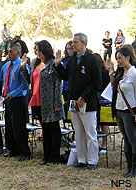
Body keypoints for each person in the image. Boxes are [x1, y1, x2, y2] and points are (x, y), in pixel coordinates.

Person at [55, 33, 102, 170]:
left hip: (87, 103)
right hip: (73, 101)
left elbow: (97, 82)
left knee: (90, 132)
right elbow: (66, 77)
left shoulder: (91, 60)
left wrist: (84, 97)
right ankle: (82, 159)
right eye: (72, 42)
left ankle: (93, 160)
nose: (73, 44)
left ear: (83, 43)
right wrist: (58, 64)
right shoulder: (72, 59)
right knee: (79, 132)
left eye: (75, 42)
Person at [20, 40, 64, 165]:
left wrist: (57, 103)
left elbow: (57, 85)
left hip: (50, 101)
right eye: (35, 50)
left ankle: (54, 156)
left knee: (53, 128)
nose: (37, 52)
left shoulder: (53, 64)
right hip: (37, 99)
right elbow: (30, 80)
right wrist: (23, 67)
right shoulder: (35, 63)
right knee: (45, 128)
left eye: (39, 50)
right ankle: (46, 155)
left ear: (45, 50)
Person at [0, 45, 30, 161]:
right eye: (8, 52)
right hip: (7, 99)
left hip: (18, 99)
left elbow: (25, 85)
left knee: (19, 126)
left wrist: (13, 93)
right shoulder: (6, 65)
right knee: (9, 125)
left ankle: (24, 151)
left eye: (11, 51)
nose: (8, 53)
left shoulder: (22, 65)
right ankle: (13, 149)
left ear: (18, 53)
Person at [108, 45, 136, 177]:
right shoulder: (120, 72)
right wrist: (111, 75)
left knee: (132, 139)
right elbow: (115, 89)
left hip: (129, 111)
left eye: (120, 58)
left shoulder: (133, 73)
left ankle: (134, 169)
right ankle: (129, 167)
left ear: (128, 57)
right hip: (119, 109)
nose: (118, 61)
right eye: (116, 58)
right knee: (126, 139)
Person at [93, 53, 111, 152]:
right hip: (94, 98)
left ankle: (104, 144)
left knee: (103, 123)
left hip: (103, 98)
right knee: (95, 122)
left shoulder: (103, 72)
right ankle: (96, 143)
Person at [62, 41, 74, 118]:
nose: (69, 51)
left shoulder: (76, 59)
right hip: (65, 87)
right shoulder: (64, 60)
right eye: (67, 49)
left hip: (72, 87)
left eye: (70, 49)